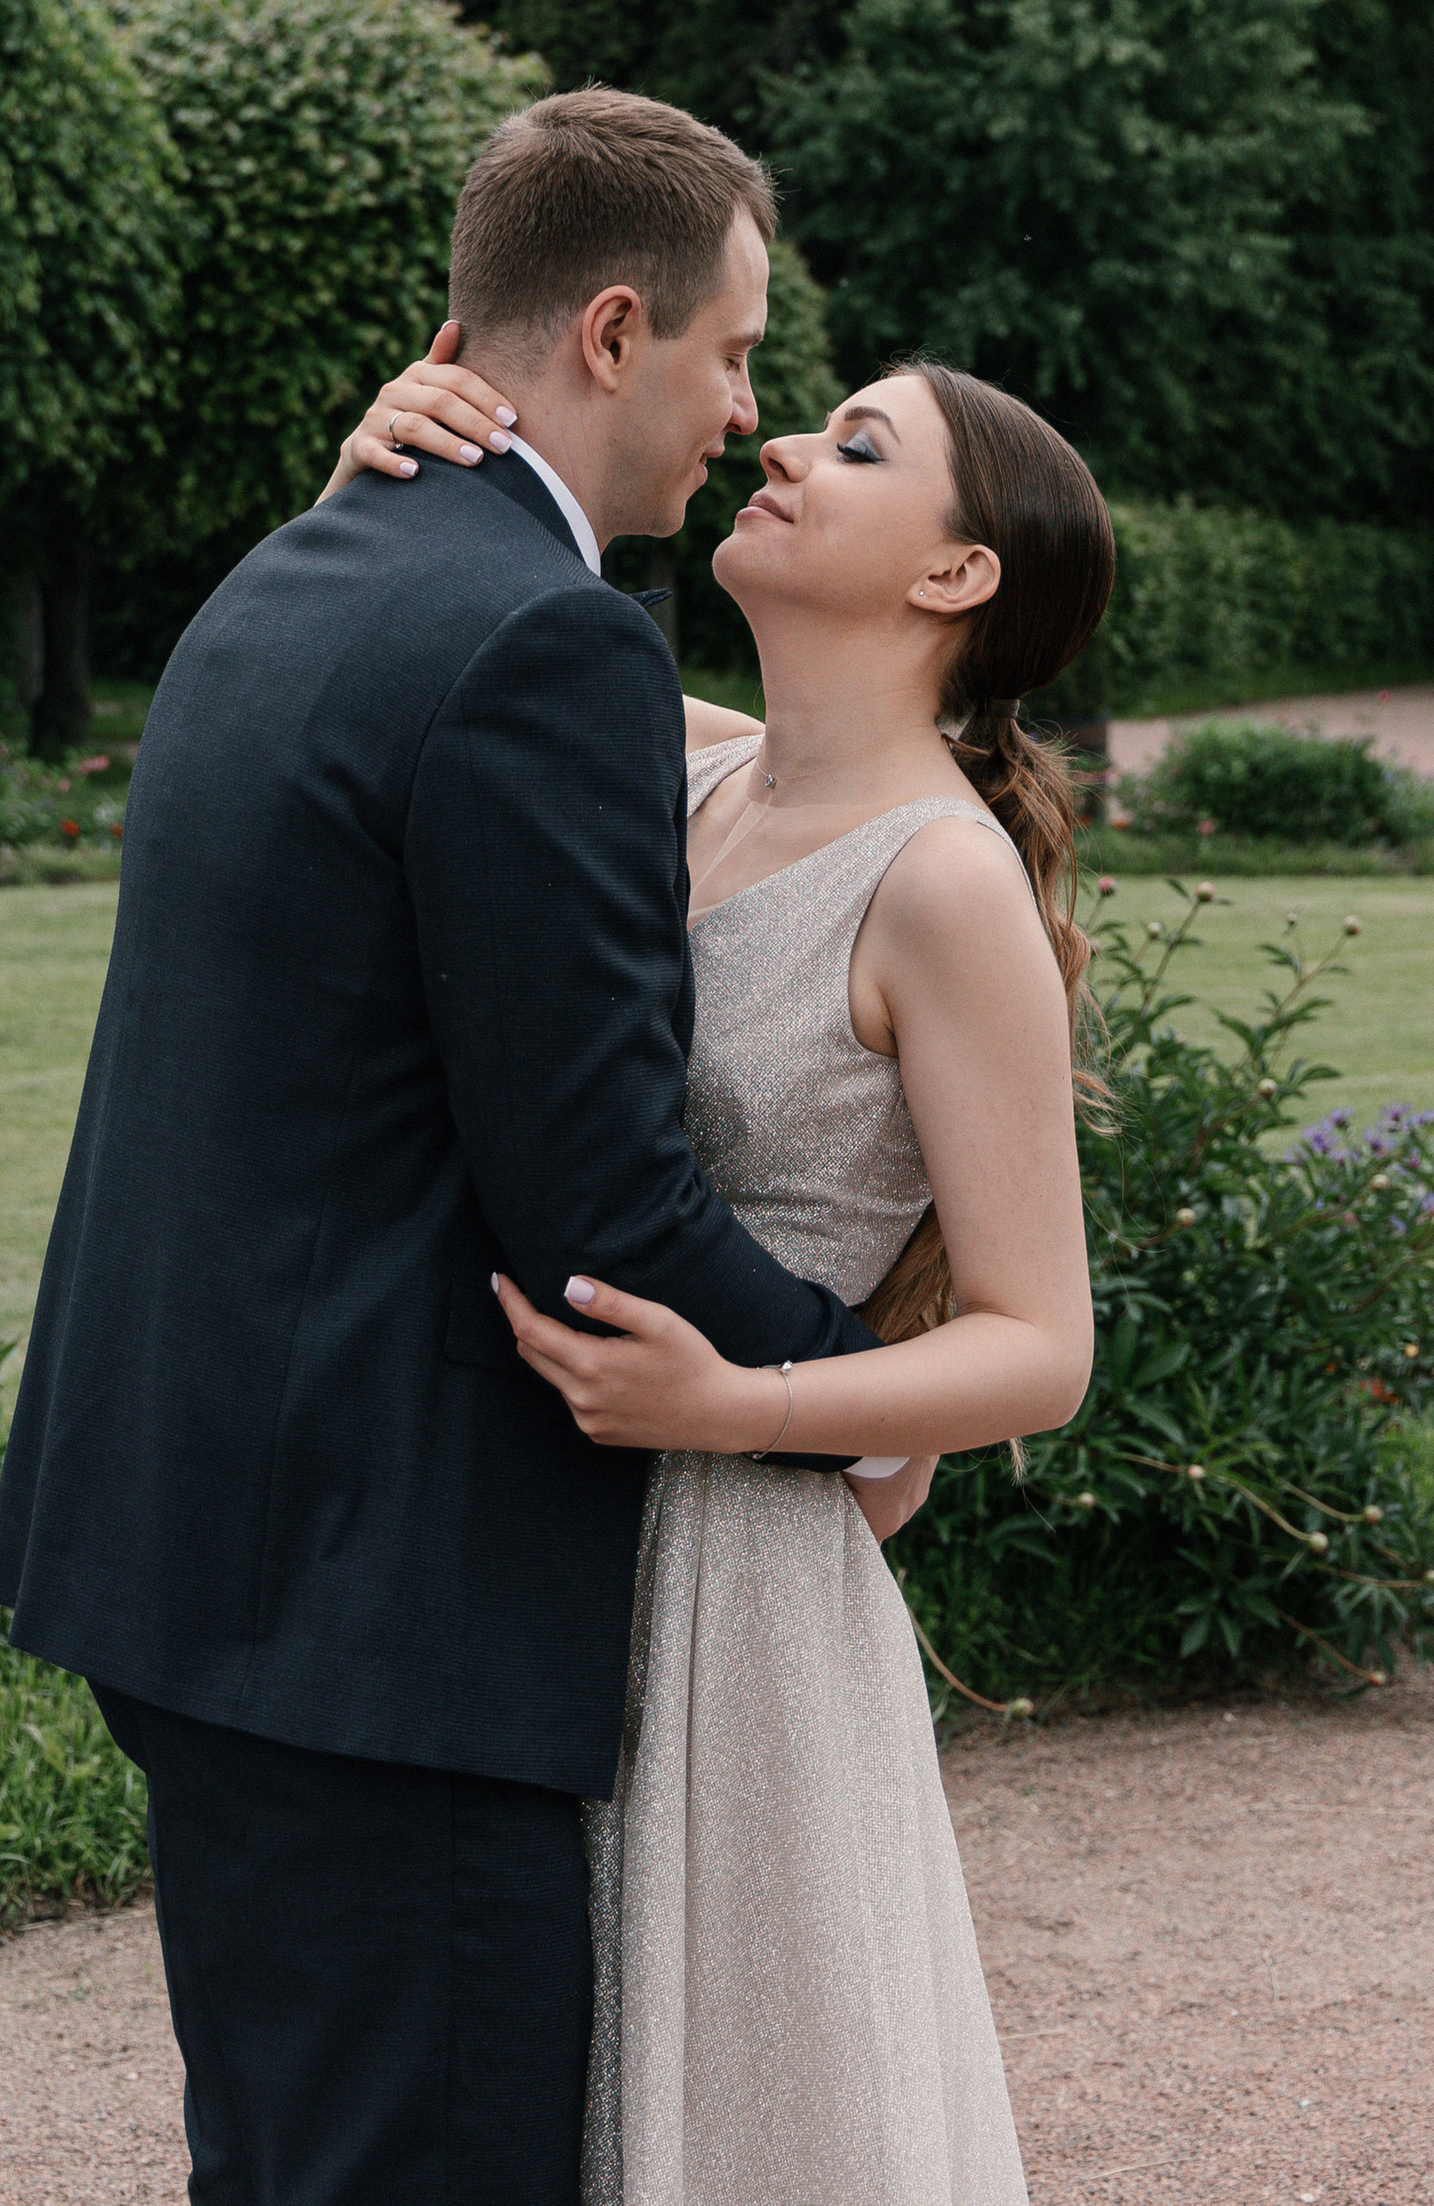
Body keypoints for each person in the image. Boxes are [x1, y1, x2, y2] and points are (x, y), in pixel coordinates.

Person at [0, 89, 886, 2206]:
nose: (740, 410)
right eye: (732, 350)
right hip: (374, 1603)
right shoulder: (545, 639)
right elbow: (600, 1201)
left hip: (191, 1544)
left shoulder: (296, 567)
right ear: (603, 330)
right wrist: (845, 1390)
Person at [327, 335, 1109, 2204]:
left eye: (852, 444)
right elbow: (458, 630)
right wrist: (383, 462)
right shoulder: (685, 761)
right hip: (536, 1547)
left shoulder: (941, 881)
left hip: (743, 1584)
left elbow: (1039, 1345)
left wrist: (746, 1403)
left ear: (956, 575)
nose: (772, 440)